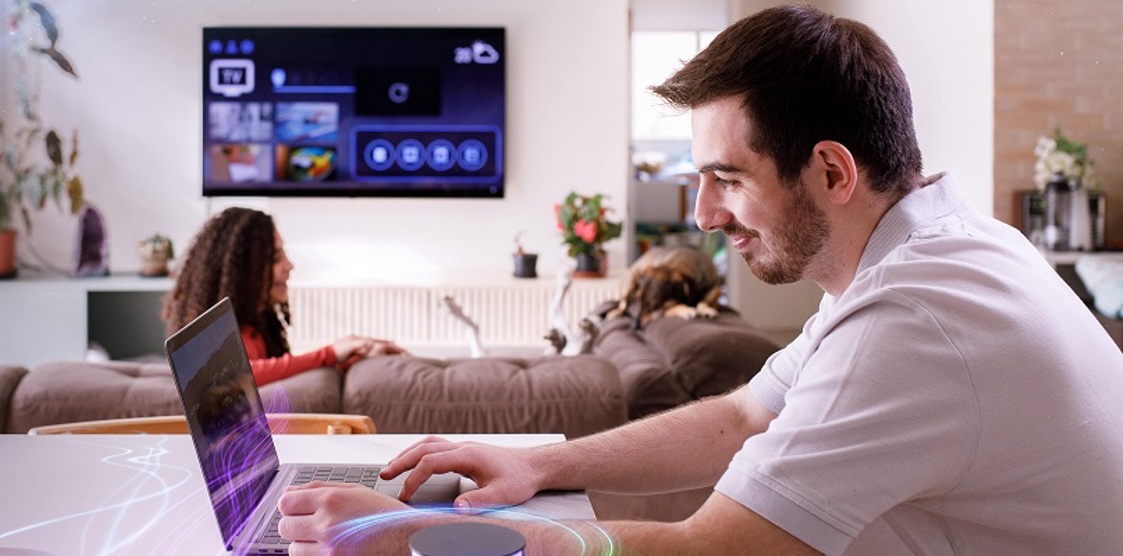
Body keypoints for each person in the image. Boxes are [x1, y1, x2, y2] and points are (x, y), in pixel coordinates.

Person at [275, 5, 1123, 554]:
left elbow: (716, 549)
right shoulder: (945, 249)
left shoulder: (913, 323)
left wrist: (409, 533)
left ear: (832, 171)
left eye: (728, 178)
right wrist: (541, 463)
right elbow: (744, 415)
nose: (707, 215)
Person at [163, 207, 403, 387]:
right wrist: (329, 353)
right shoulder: (216, 340)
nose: (290, 265)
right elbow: (235, 375)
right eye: (275, 257)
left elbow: (281, 373)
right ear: (242, 270)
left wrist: (353, 355)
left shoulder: (255, 327)